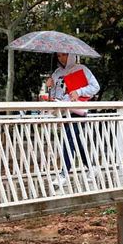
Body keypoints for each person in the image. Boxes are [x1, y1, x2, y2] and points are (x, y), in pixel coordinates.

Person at [45, 52, 100, 187]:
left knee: (68, 139)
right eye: (58, 56)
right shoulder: (57, 72)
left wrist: (79, 92)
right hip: (63, 111)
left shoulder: (81, 69)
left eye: (64, 55)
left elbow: (95, 87)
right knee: (76, 141)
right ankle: (92, 167)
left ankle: (63, 174)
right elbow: (54, 95)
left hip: (77, 109)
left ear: (71, 55)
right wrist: (49, 86)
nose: (61, 58)